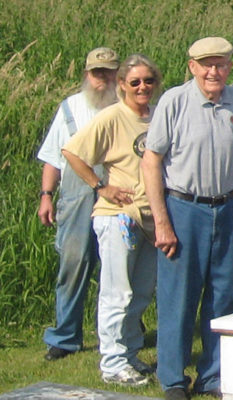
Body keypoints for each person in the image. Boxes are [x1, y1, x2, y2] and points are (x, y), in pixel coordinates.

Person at [142, 37, 233, 398]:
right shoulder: (174, 102)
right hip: (183, 208)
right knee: (180, 297)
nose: (214, 71)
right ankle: (174, 379)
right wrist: (161, 221)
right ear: (192, 66)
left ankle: (213, 375)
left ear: (229, 66)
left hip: (227, 207)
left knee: (225, 296)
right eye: (206, 64)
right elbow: (151, 162)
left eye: (221, 64)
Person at [60, 53, 160, 387]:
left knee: (142, 292)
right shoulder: (112, 117)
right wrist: (100, 186)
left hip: (151, 218)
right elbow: (72, 151)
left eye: (148, 81)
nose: (142, 87)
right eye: (135, 82)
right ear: (122, 85)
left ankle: (130, 354)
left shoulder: (157, 116)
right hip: (118, 216)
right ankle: (112, 362)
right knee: (118, 293)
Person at [35, 46, 118, 362]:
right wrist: (46, 196)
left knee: (120, 264)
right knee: (74, 263)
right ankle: (66, 336)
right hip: (75, 193)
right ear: (87, 74)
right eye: (98, 74)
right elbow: (53, 158)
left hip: (117, 189)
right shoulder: (69, 107)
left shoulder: (128, 104)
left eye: (109, 73)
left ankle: (123, 331)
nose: (103, 80)